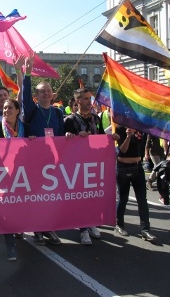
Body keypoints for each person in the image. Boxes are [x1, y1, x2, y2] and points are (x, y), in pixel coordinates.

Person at [64, 88, 119, 245]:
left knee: (92, 196)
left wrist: (111, 138)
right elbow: (63, 143)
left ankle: (92, 223)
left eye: (90, 98)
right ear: (78, 101)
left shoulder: (96, 117)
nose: (90, 101)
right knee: (80, 197)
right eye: (86, 98)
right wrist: (73, 137)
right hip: (77, 165)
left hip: (93, 164)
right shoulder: (70, 120)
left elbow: (101, 137)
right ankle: (83, 229)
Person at [22, 56, 67, 246]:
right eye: (42, 92)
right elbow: (24, 96)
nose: (46, 94)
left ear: (53, 94)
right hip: (35, 161)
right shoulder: (32, 109)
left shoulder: (58, 112)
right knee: (37, 197)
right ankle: (38, 230)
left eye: (49, 91)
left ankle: (49, 228)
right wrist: (27, 73)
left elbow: (62, 136)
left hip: (53, 161)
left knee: (51, 197)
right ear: (37, 96)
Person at [0, 98, 25, 261]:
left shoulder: (25, 128)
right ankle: (11, 247)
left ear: (17, 111)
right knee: (7, 209)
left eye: (10, 108)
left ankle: (19, 229)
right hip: (3, 175)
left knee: (20, 207)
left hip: (22, 175)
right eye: (4, 108)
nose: (6, 111)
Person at [115, 126, 157, 242]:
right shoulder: (119, 128)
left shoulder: (139, 129)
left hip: (137, 168)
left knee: (142, 199)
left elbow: (141, 142)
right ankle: (119, 225)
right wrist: (128, 136)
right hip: (123, 167)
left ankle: (145, 229)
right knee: (123, 199)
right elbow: (122, 150)